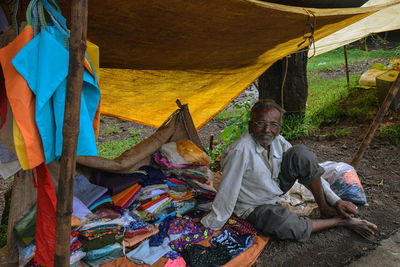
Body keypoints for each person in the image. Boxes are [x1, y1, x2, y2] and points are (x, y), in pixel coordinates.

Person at [201, 100, 377, 241]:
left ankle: (324, 208)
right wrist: (212, 224)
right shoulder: (240, 151)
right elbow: (227, 190)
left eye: (273, 125)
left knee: (302, 153)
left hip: (277, 188)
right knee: (287, 225)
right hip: (254, 205)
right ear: (250, 125)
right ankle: (339, 221)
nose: (267, 130)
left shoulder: (277, 140)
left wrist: (336, 200)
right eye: (260, 123)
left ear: (279, 128)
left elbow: (307, 165)